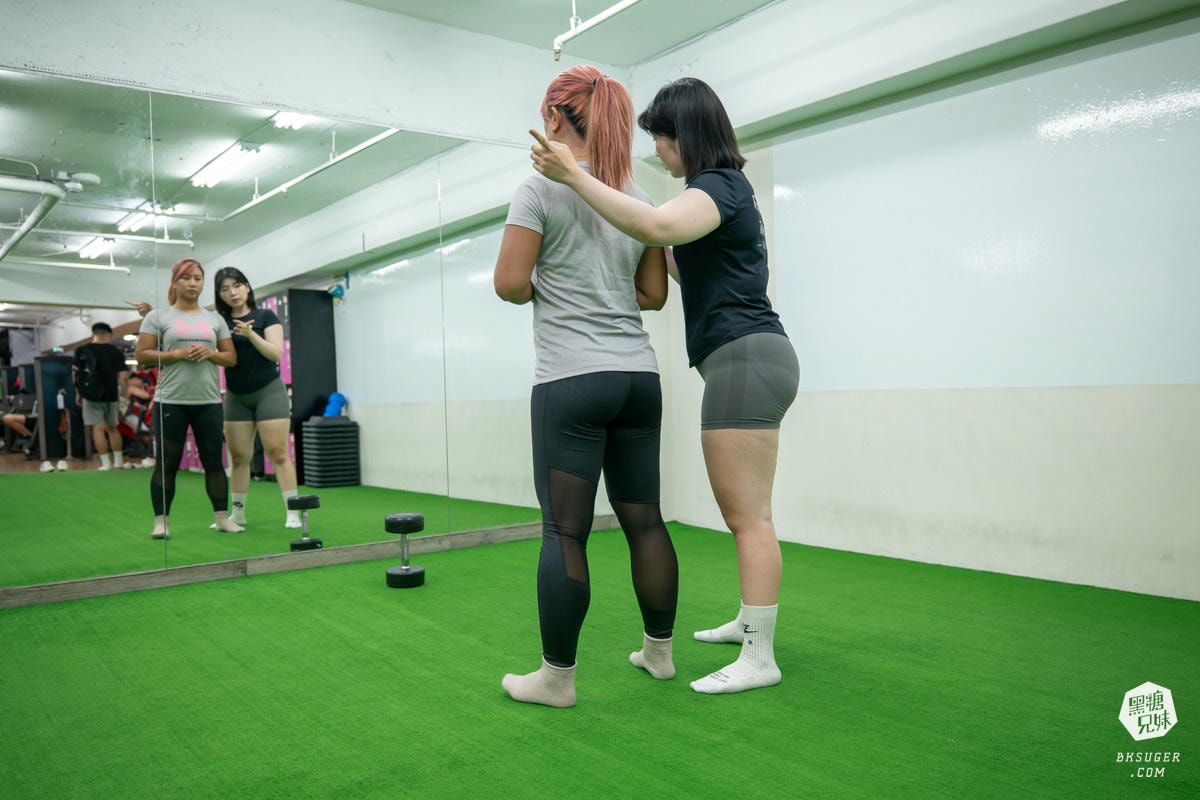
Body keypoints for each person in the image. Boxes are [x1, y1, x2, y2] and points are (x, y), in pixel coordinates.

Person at [530, 77, 801, 695]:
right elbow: (664, 254)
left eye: (661, 139)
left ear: (689, 134)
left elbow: (653, 227)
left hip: (746, 360)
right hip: (748, 358)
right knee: (743, 513)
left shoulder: (718, 187)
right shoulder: (714, 195)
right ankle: (748, 622)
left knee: (747, 516)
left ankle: (760, 656)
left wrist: (574, 176)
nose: (657, 151)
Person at [495, 65, 678, 708]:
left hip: (572, 380)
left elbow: (510, 285)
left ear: (552, 117)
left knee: (565, 532)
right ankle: (659, 653)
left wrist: (560, 287)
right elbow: (654, 295)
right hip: (638, 379)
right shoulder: (636, 193)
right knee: (645, 521)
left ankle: (557, 680)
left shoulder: (537, 189)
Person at [135, 258, 240, 539]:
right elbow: (142, 356)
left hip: (207, 401)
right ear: (175, 282)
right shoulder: (157, 317)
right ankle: (161, 522)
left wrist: (210, 353)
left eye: (197, 278)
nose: (193, 283)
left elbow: (231, 358)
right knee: (167, 463)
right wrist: (177, 354)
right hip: (170, 400)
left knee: (213, 462)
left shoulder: (214, 319)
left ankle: (221, 518)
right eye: (186, 278)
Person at [212, 266, 301, 528]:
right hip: (236, 395)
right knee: (239, 457)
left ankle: (292, 512)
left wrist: (251, 334)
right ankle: (237, 514)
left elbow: (275, 354)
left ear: (247, 287)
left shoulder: (266, 316)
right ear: (220, 295)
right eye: (225, 289)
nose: (233, 292)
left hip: (269, 392)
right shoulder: (220, 323)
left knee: (278, 453)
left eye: (237, 285)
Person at [72, 321, 130, 470]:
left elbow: (75, 373)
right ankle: (119, 462)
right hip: (110, 395)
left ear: (94, 334)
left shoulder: (82, 350)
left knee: (97, 428)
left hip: (90, 395)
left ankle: (105, 464)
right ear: (109, 335)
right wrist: (124, 394)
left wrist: (78, 392)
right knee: (113, 427)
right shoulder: (116, 352)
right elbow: (123, 377)